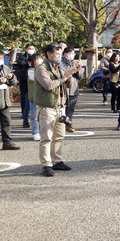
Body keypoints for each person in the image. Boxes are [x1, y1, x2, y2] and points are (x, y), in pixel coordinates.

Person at [35, 43, 81, 177]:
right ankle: (46, 164)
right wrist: (64, 77)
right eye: (57, 54)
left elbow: (69, 84)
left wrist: (71, 74)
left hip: (60, 107)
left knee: (59, 137)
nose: (59, 57)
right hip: (47, 108)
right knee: (46, 138)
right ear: (48, 54)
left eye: (61, 54)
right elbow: (48, 85)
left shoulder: (58, 67)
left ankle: (57, 161)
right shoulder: (41, 68)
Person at [59, 47, 81, 133]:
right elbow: (64, 74)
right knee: (61, 108)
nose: (73, 56)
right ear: (65, 54)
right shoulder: (60, 63)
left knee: (71, 109)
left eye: (73, 54)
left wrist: (78, 70)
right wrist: (72, 71)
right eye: (71, 54)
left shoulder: (75, 63)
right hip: (64, 89)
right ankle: (60, 125)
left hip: (73, 89)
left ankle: (69, 124)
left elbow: (80, 77)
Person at [13, 43, 36, 128]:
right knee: (25, 101)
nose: (31, 49)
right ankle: (25, 117)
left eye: (32, 48)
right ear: (25, 49)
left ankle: (31, 117)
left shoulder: (37, 57)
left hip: (35, 84)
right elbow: (19, 70)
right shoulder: (21, 58)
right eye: (29, 48)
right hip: (25, 83)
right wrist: (27, 65)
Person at [26, 53, 43, 141]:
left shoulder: (44, 69)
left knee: (43, 116)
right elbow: (37, 78)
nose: (39, 61)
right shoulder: (31, 70)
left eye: (40, 59)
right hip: (34, 97)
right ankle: (35, 132)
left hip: (43, 97)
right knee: (34, 116)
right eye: (37, 59)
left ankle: (42, 132)